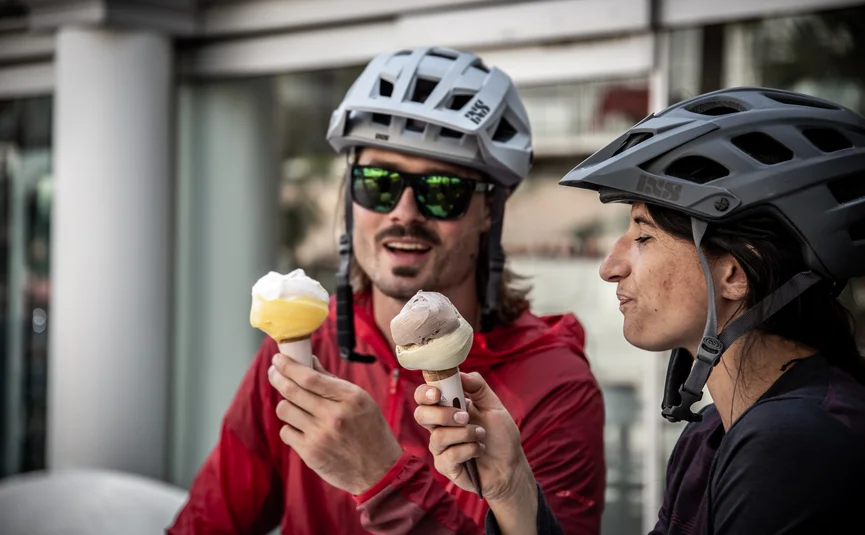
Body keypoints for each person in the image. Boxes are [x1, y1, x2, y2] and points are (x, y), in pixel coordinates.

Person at [168, 47, 606, 535]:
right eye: (377, 182)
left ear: (489, 212)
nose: (404, 211)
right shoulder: (308, 352)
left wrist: (383, 479)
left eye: (442, 189)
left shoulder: (555, 386)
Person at [413, 86, 865, 535]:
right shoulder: (712, 435)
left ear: (735, 273)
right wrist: (511, 486)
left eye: (643, 237)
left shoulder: (789, 444)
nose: (610, 268)